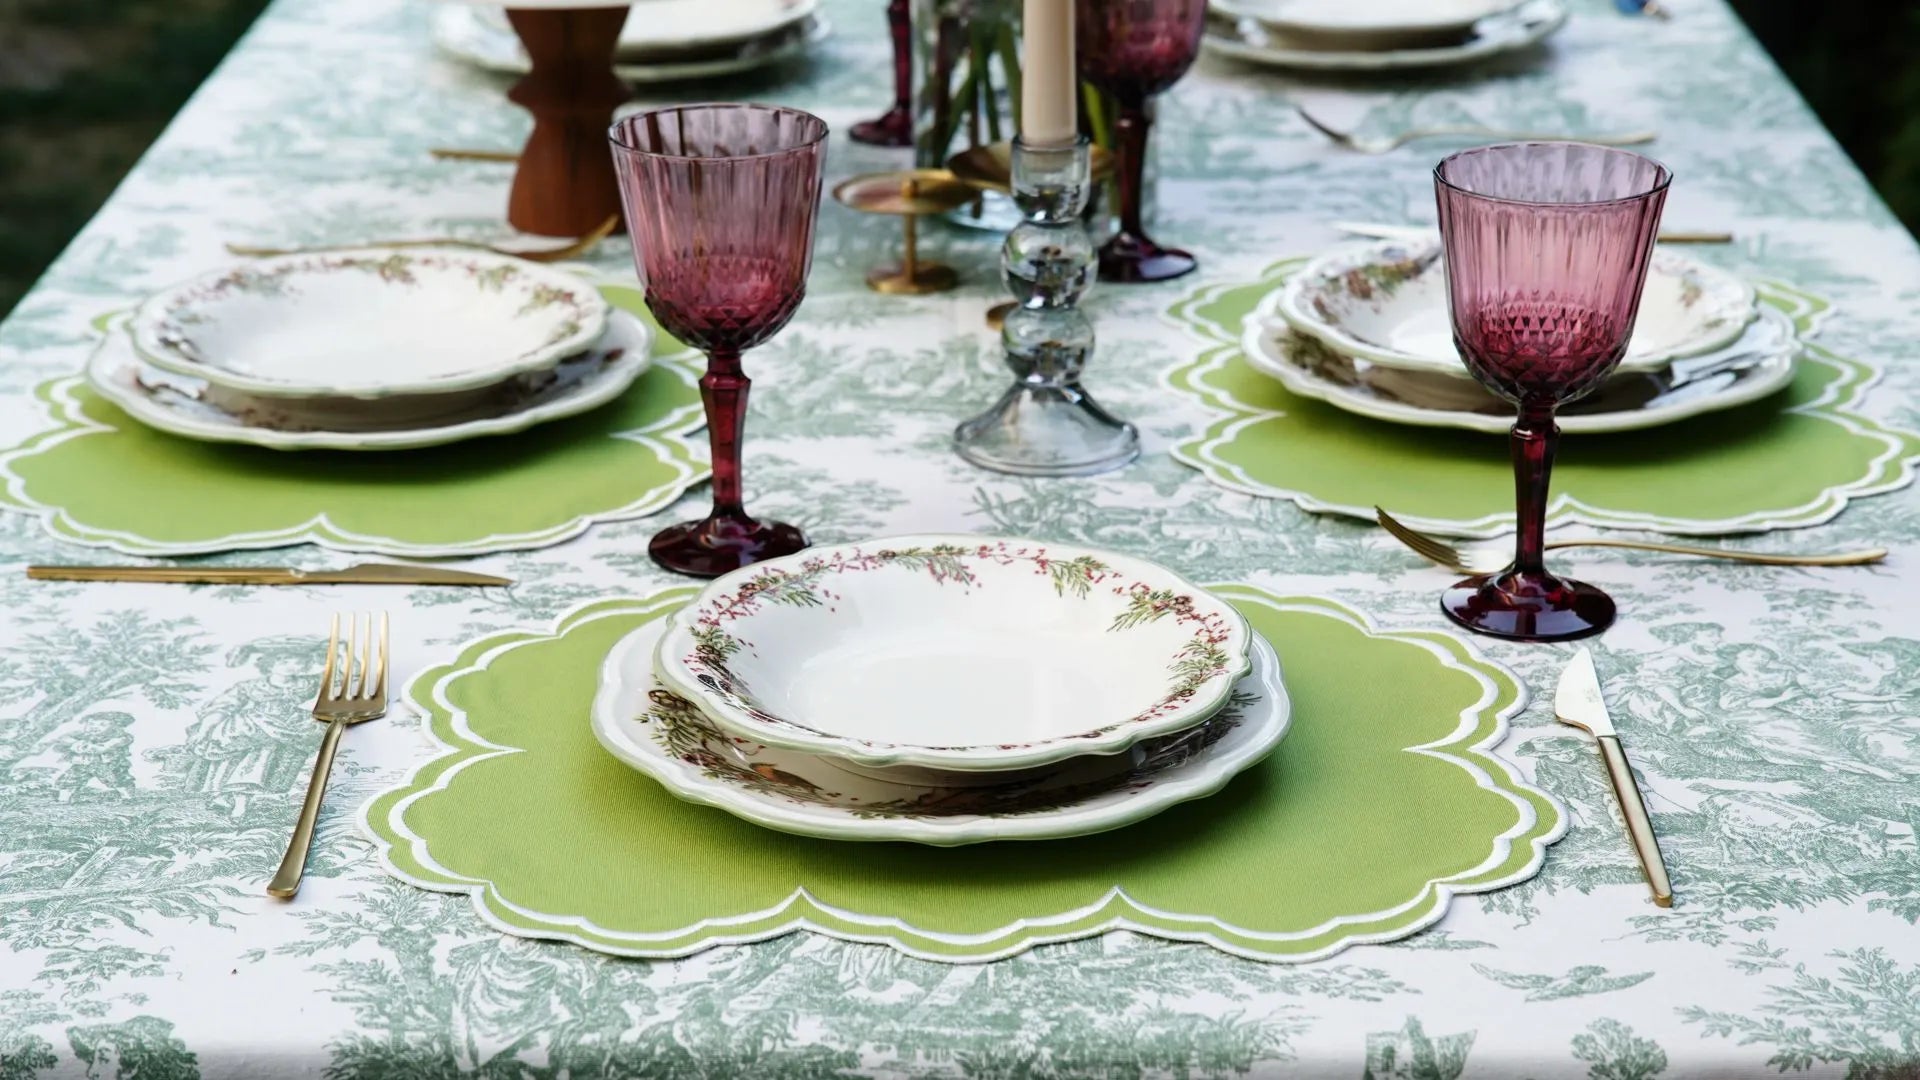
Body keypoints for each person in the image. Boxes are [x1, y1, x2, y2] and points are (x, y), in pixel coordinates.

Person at [181, 637, 320, 819]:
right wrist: (204, 730)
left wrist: (340, 650)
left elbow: (349, 675)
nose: (291, 665)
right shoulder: (249, 687)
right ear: (269, 664)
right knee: (255, 750)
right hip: (252, 725)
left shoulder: (308, 683)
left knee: (267, 752)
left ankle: (229, 799)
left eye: (298, 661)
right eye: (284, 661)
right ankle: (235, 802)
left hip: (292, 726)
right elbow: (222, 706)